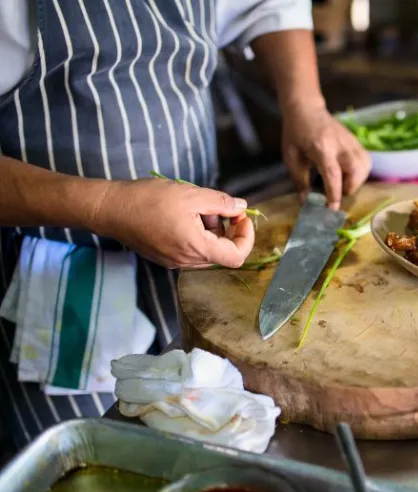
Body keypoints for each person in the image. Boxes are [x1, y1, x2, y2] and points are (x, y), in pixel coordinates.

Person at [0, 0, 370, 455]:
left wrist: (306, 104)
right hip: (61, 297)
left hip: (204, 277)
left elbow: (268, 5)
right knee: (102, 470)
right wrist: (106, 204)